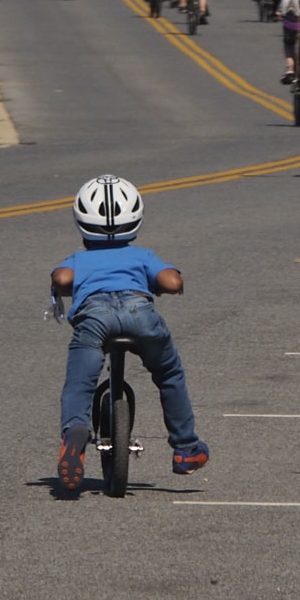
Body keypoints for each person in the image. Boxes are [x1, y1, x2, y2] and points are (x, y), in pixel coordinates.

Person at [49, 175, 209, 493]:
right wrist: (166, 280)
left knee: (80, 383)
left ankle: (75, 432)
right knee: (168, 373)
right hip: (140, 316)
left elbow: (63, 277)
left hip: (95, 320)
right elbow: (171, 282)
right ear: (136, 218)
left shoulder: (79, 259)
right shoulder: (143, 256)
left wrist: (63, 285)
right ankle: (186, 448)